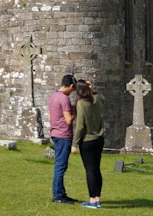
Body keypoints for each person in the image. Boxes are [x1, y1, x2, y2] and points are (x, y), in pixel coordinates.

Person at [72, 79, 105, 209]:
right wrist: (93, 89)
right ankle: (97, 198)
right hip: (99, 139)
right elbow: (103, 98)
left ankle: (92, 200)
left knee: (90, 170)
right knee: (96, 169)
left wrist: (74, 144)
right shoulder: (96, 100)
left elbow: (80, 126)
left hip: (87, 140)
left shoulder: (81, 103)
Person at [48, 74, 78, 204]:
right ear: (70, 86)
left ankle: (61, 193)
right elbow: (68, 120)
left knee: (60, 165)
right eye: (73, 89)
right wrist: (76, 111)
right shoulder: (64, 99)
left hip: (55, 133)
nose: (72, 92)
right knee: (61, 166)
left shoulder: (53, 97)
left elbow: (50, 118)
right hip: (63, 135)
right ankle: (58, 195)